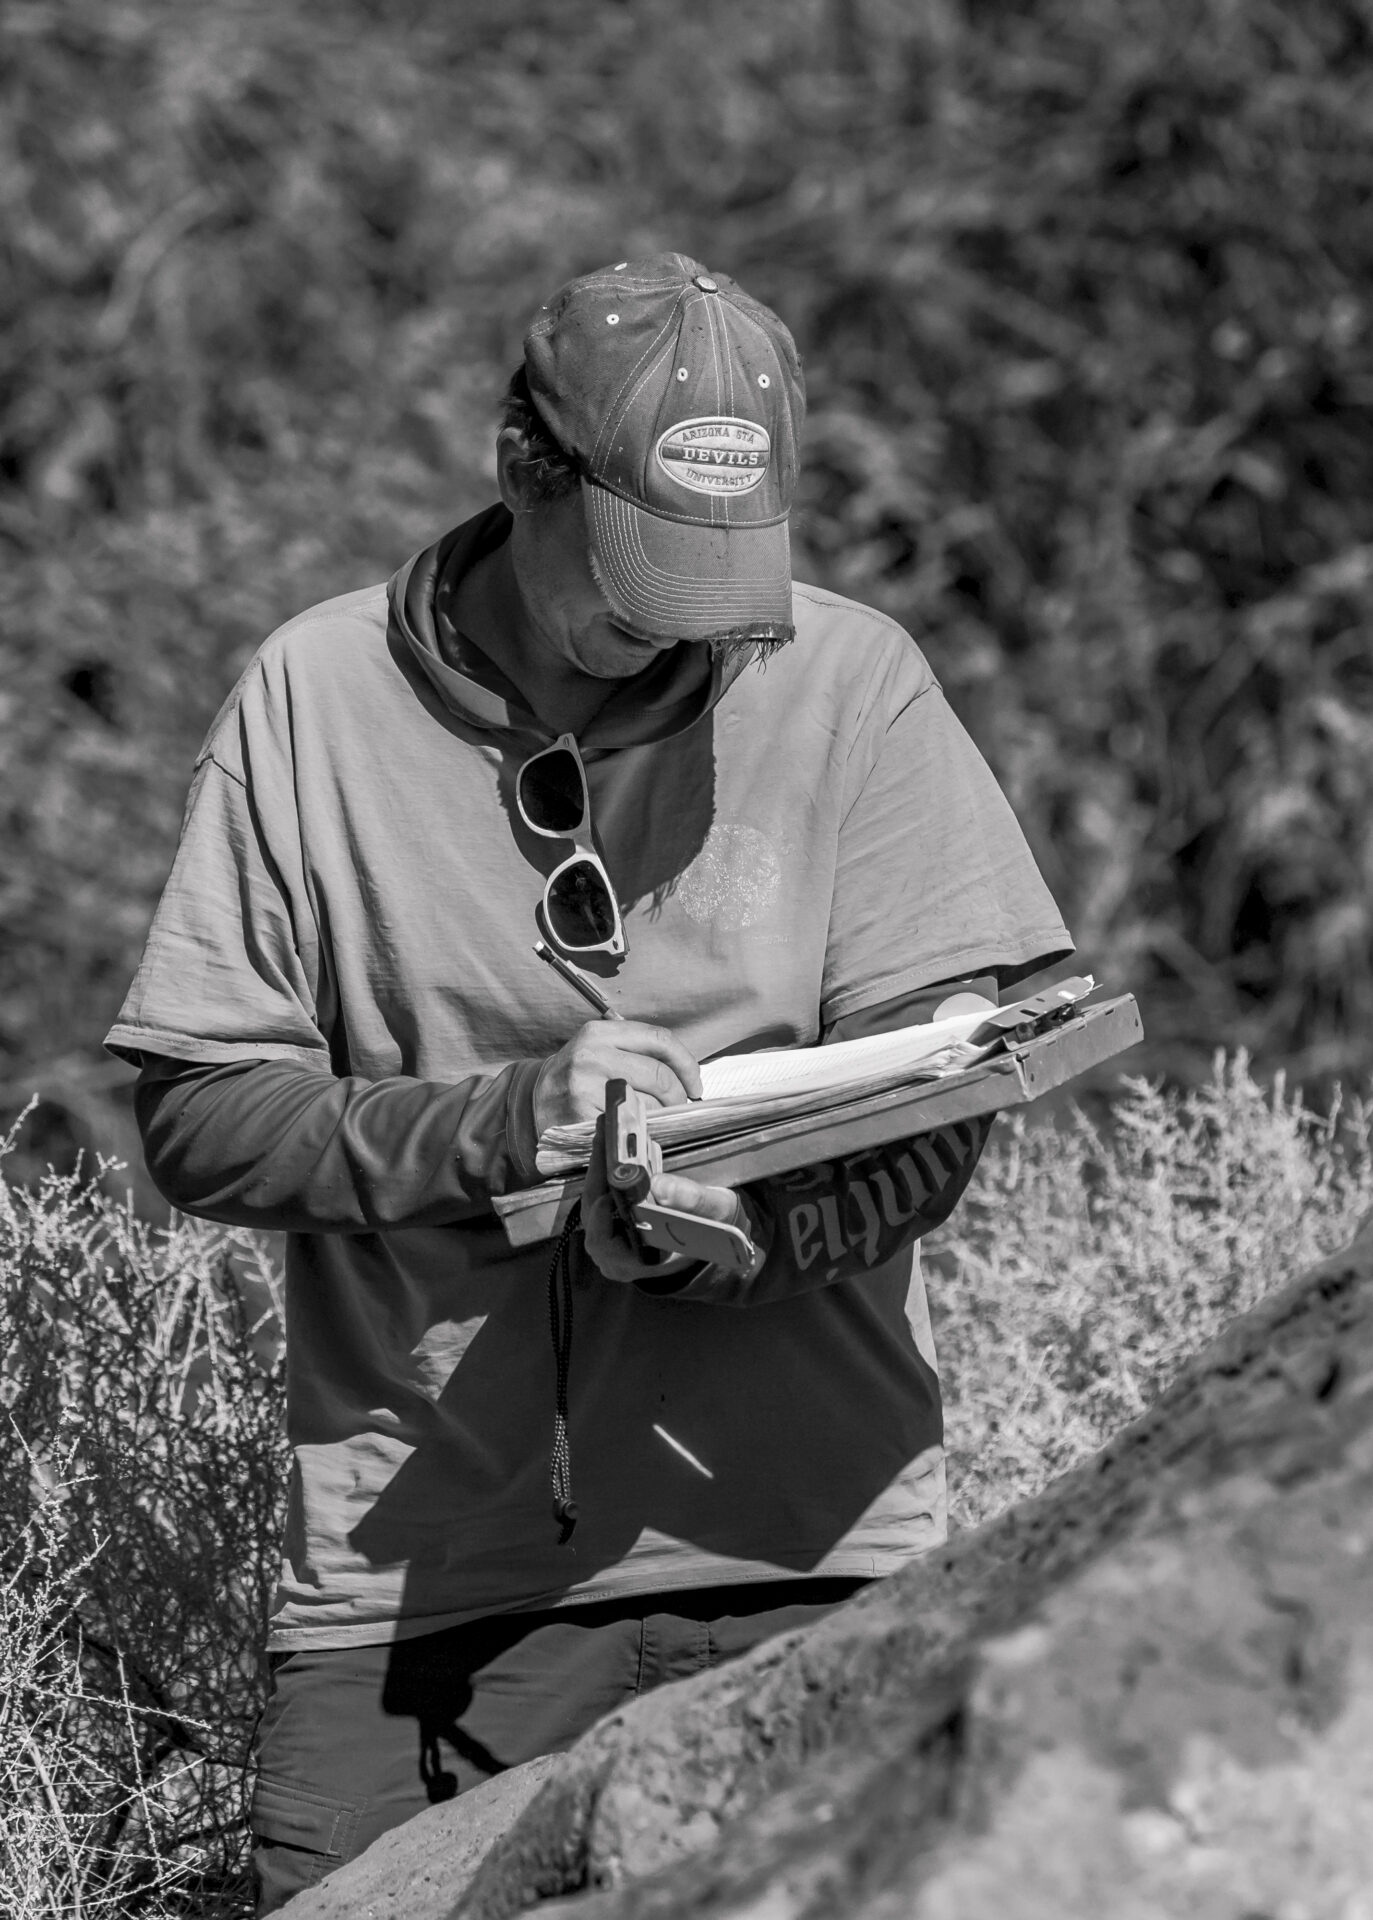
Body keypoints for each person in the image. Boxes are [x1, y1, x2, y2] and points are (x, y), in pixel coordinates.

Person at [106, 253, 1071, 1911]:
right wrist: (499, 1124)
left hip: (815, 1564)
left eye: (721, 571)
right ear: (520, 467)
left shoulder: (851, 683)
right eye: (638, 569)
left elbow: (940, 1114)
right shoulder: (310, 699)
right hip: (419, 1601)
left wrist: (744, 1233)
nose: (678, 621)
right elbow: (200, 1121)